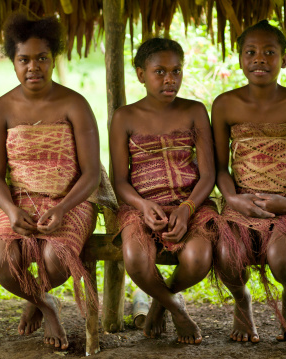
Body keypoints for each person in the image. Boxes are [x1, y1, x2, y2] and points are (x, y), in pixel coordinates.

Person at [0, 14, 116, 350]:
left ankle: (34, 297)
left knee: (57, 257)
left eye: (42, 58)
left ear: (53, 58)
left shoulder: (75, 104)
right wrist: (11, 210)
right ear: (12, 62)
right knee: (0, 260)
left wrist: (63, 207)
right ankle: (46, 305)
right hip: (20, 202)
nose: (33, 67)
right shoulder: (0, 109)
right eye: (23, 59)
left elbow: (90, 174)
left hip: (71, 200)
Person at [212, 20, 286, 343]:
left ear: (284, 59)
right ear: (240, 59)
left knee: (283, 258)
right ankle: (242, 300)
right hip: (241, 200)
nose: (259, 59)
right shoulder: (225, 104)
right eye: (251, 52)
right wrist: (233, 199)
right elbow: (221, 168)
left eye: (269, 52)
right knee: (224, 253)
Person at [109, 38, 218, 344]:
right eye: (160, 72)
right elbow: (120, 180)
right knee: (136, 258)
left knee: (198, 259)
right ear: (141, 74)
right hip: (141, 207)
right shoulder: (124, 117)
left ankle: (158, 303)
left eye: (176, 71)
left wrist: (187, 208)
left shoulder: (195, 111)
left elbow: (208, 174)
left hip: (191, 204)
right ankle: (176, 310)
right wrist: (142, 206)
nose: (170, 79)